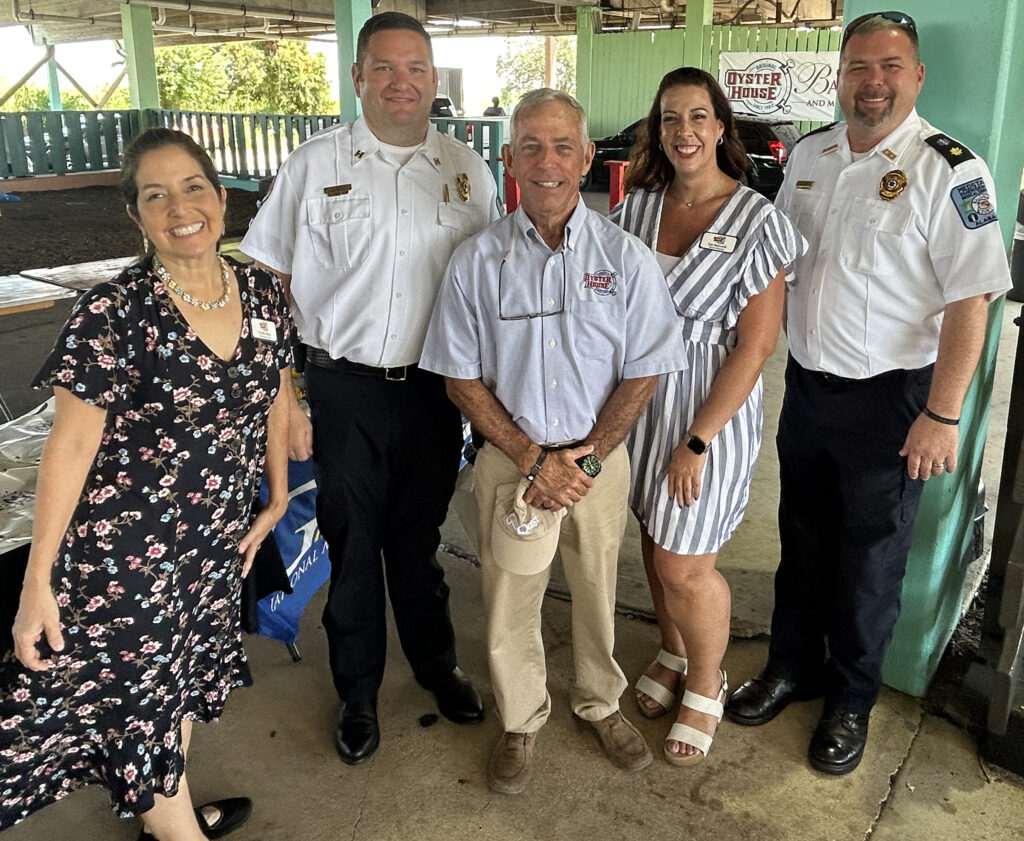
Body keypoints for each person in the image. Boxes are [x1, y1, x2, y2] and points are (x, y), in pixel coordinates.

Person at [725, 11, 1012, 775]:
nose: (872, 81)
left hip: (896, 404)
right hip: (811, 391)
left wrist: (942, 413)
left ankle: (851, 700)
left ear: (916, 77)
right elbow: (778, 263)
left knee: (871, 563)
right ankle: (793, 667)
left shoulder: (950, 170)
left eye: (890, 66)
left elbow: (972, 301)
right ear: (841, 75)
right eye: (858, 66)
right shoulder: (811, 156)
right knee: (803, 544)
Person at [0, 127, 293, 840]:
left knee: (181, 692)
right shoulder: (113, 311)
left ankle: (173, 815)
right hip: (127, 561)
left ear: (223, 199)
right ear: (136, 215)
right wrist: (37, 582)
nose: (179, 206)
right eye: (154, 194)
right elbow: (67, 447)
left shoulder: (259, 290)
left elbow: (278, 392)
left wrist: (278, 494)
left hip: (212, 546)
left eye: (193, 186)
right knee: (143, 714)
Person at [240, 11, 498, 766]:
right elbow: (267, 281)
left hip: (434, 391)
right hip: (341, 387)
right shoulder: (314, 164)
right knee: (352, 549)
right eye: (384, 68)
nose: (401, 82)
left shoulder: (466, 169)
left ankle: (435, 664)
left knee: (418, 544)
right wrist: (282, 396)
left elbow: (490, 281)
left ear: (432, 77)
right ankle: (357, 691)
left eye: (416, 68)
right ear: (358, 78)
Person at [420, 88, 686, 793]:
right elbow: (459, 377)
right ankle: (521, 718)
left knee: (598, 592)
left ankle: (600, 701)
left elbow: (646, 370)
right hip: (513, 464)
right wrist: (535, 460)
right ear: (508, 160)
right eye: (530, 147)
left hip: (598, 463)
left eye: (562, 145)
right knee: (510, 597)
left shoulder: (624, 257)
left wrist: (587, 458)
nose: (547, 162)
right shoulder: (477, 261)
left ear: (587, 156)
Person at [610, 67, 804, 765]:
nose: (683, 131)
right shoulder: (637, 207)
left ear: (721, 127)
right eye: (670, 119)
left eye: (697, 117)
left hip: (707, 410)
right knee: (651, 533)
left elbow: (756, 346)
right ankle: (672, 645)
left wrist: (697, 439)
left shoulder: (758, 221)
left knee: (684, 561)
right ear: (657, 132)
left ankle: (706, 678)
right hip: (638, 400)